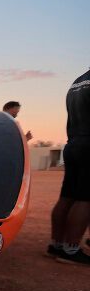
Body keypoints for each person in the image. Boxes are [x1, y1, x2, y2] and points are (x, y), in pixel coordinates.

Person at [48, 69, 90, 265]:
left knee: (68, 196)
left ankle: (56, 245)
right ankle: (71, 250)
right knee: (86, 199)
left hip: (73, 143)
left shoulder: (78, 81)